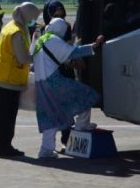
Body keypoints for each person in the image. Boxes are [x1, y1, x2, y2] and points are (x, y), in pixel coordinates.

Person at [31, 18, 104, 158]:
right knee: (85, 95)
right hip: (54, 81)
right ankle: (82, 125)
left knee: (49, 116)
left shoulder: (40, 40)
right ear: (61, 30)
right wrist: (94, 46)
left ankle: (46, 150)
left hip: (41, 84)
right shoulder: (53, 40)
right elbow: (74, 53)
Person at [0, 2, 41, 157]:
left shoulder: (13, 27)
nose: (34, 21)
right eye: (33, 17)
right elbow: (23, 58)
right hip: (8, 80)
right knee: (7, 116)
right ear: (27, 15)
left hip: (1, 77)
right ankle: (5, 146)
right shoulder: (16, 32)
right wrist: (37, 56)